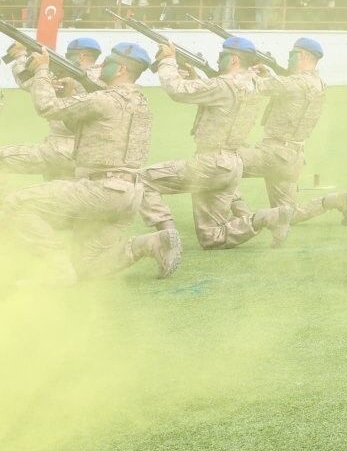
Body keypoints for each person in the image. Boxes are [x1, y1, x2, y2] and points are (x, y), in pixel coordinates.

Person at [0, 40, 180, 281]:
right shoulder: (140, 101)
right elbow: (83, 124)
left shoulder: (104, 99)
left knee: (15, 204)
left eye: (107, 63)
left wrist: (42, 69)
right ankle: (148, 243)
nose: (101, 65)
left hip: (99, 189)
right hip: (129, 193)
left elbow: (47, 107)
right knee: (87, 265)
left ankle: (55, 269)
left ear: (120, 70)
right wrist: (66, 93)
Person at [138, 35, 292, 249]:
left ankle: (168, 236)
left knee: (142, 179)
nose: (218, 60)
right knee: (212, 238)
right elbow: (216, 97)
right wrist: (193, 75)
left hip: (209, 164)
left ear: (234, 60)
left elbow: (177, 90)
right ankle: (266, 217)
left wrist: (168, 60)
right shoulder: (255, 84)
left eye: (222, 56)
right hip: (232, 164)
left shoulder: (223, 85)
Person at [234, 36, 347, 233]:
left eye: (292, 54)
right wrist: (269, 74)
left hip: (273, 153)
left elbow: (260, 87)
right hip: (292, 156)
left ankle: (245, 219)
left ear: (303, 55)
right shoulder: (317, 83)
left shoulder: (296, 83)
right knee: (288, 213)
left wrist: (247, 72)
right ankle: (339, 200)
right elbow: (286, 91)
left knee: (221, 165)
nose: (288, 58)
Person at [0, 35, 104, 180]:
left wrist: (20, 56)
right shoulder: (104, 79)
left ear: (81, 56)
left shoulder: (77, 78)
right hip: (89, 151)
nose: (67, 59)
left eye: (69, 56)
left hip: (63, 147)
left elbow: (29, 83)